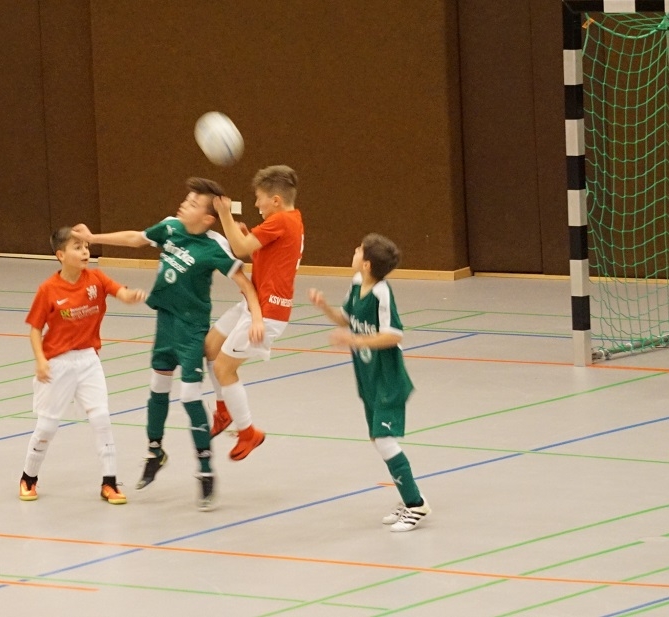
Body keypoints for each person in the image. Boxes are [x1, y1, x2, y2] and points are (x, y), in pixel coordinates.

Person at [71, 177, 262, 511]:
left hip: (191, 329)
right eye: (186, 199)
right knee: (157, 387)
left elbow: (245, 283)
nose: (183, 205)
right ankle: (155, 451)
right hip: (166, 322)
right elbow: (136, 238)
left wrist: (257, 317)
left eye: (192, 204)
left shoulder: (214, 245)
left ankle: (205, 469)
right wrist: (93, 238)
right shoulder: (171, 227)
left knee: (189, 395)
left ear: (207, 218)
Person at [308, 234, 430, 532]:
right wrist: (325, 308)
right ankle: (409, 496)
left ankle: (416, 504)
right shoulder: (356, 284)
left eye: (359, 250)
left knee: (385, 440)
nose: (354, 250)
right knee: (379, 440)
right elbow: (347, 319)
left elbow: (394, 335)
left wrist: (355, 340)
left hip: (388, 378)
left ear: (367, 264)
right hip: (368, 378)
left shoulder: (381, 294)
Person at [19, 227, 146, 504]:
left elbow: (120, 292)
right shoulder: (48, 289)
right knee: (47, 427)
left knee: (101, 419)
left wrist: (130, 296)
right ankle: (29, 477)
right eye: (77, 248)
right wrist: (41, 361)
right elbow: (35, 330)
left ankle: (109, 482)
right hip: (57, 363)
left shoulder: (96, 278)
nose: (85, 252)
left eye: (85, 247)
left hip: (88, 359)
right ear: (61, 255)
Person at [204, 165, 304, 461]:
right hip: (254, 303)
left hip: (268, 310)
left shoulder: (280, 220)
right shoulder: (292, 219)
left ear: (276, 200)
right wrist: (249, 237)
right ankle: (224, 409)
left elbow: (238, 248)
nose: (257, 204)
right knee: (210, 346)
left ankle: (248, 432)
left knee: (224, 368)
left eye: (259, 198)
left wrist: (224, 214)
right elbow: (262, 252)